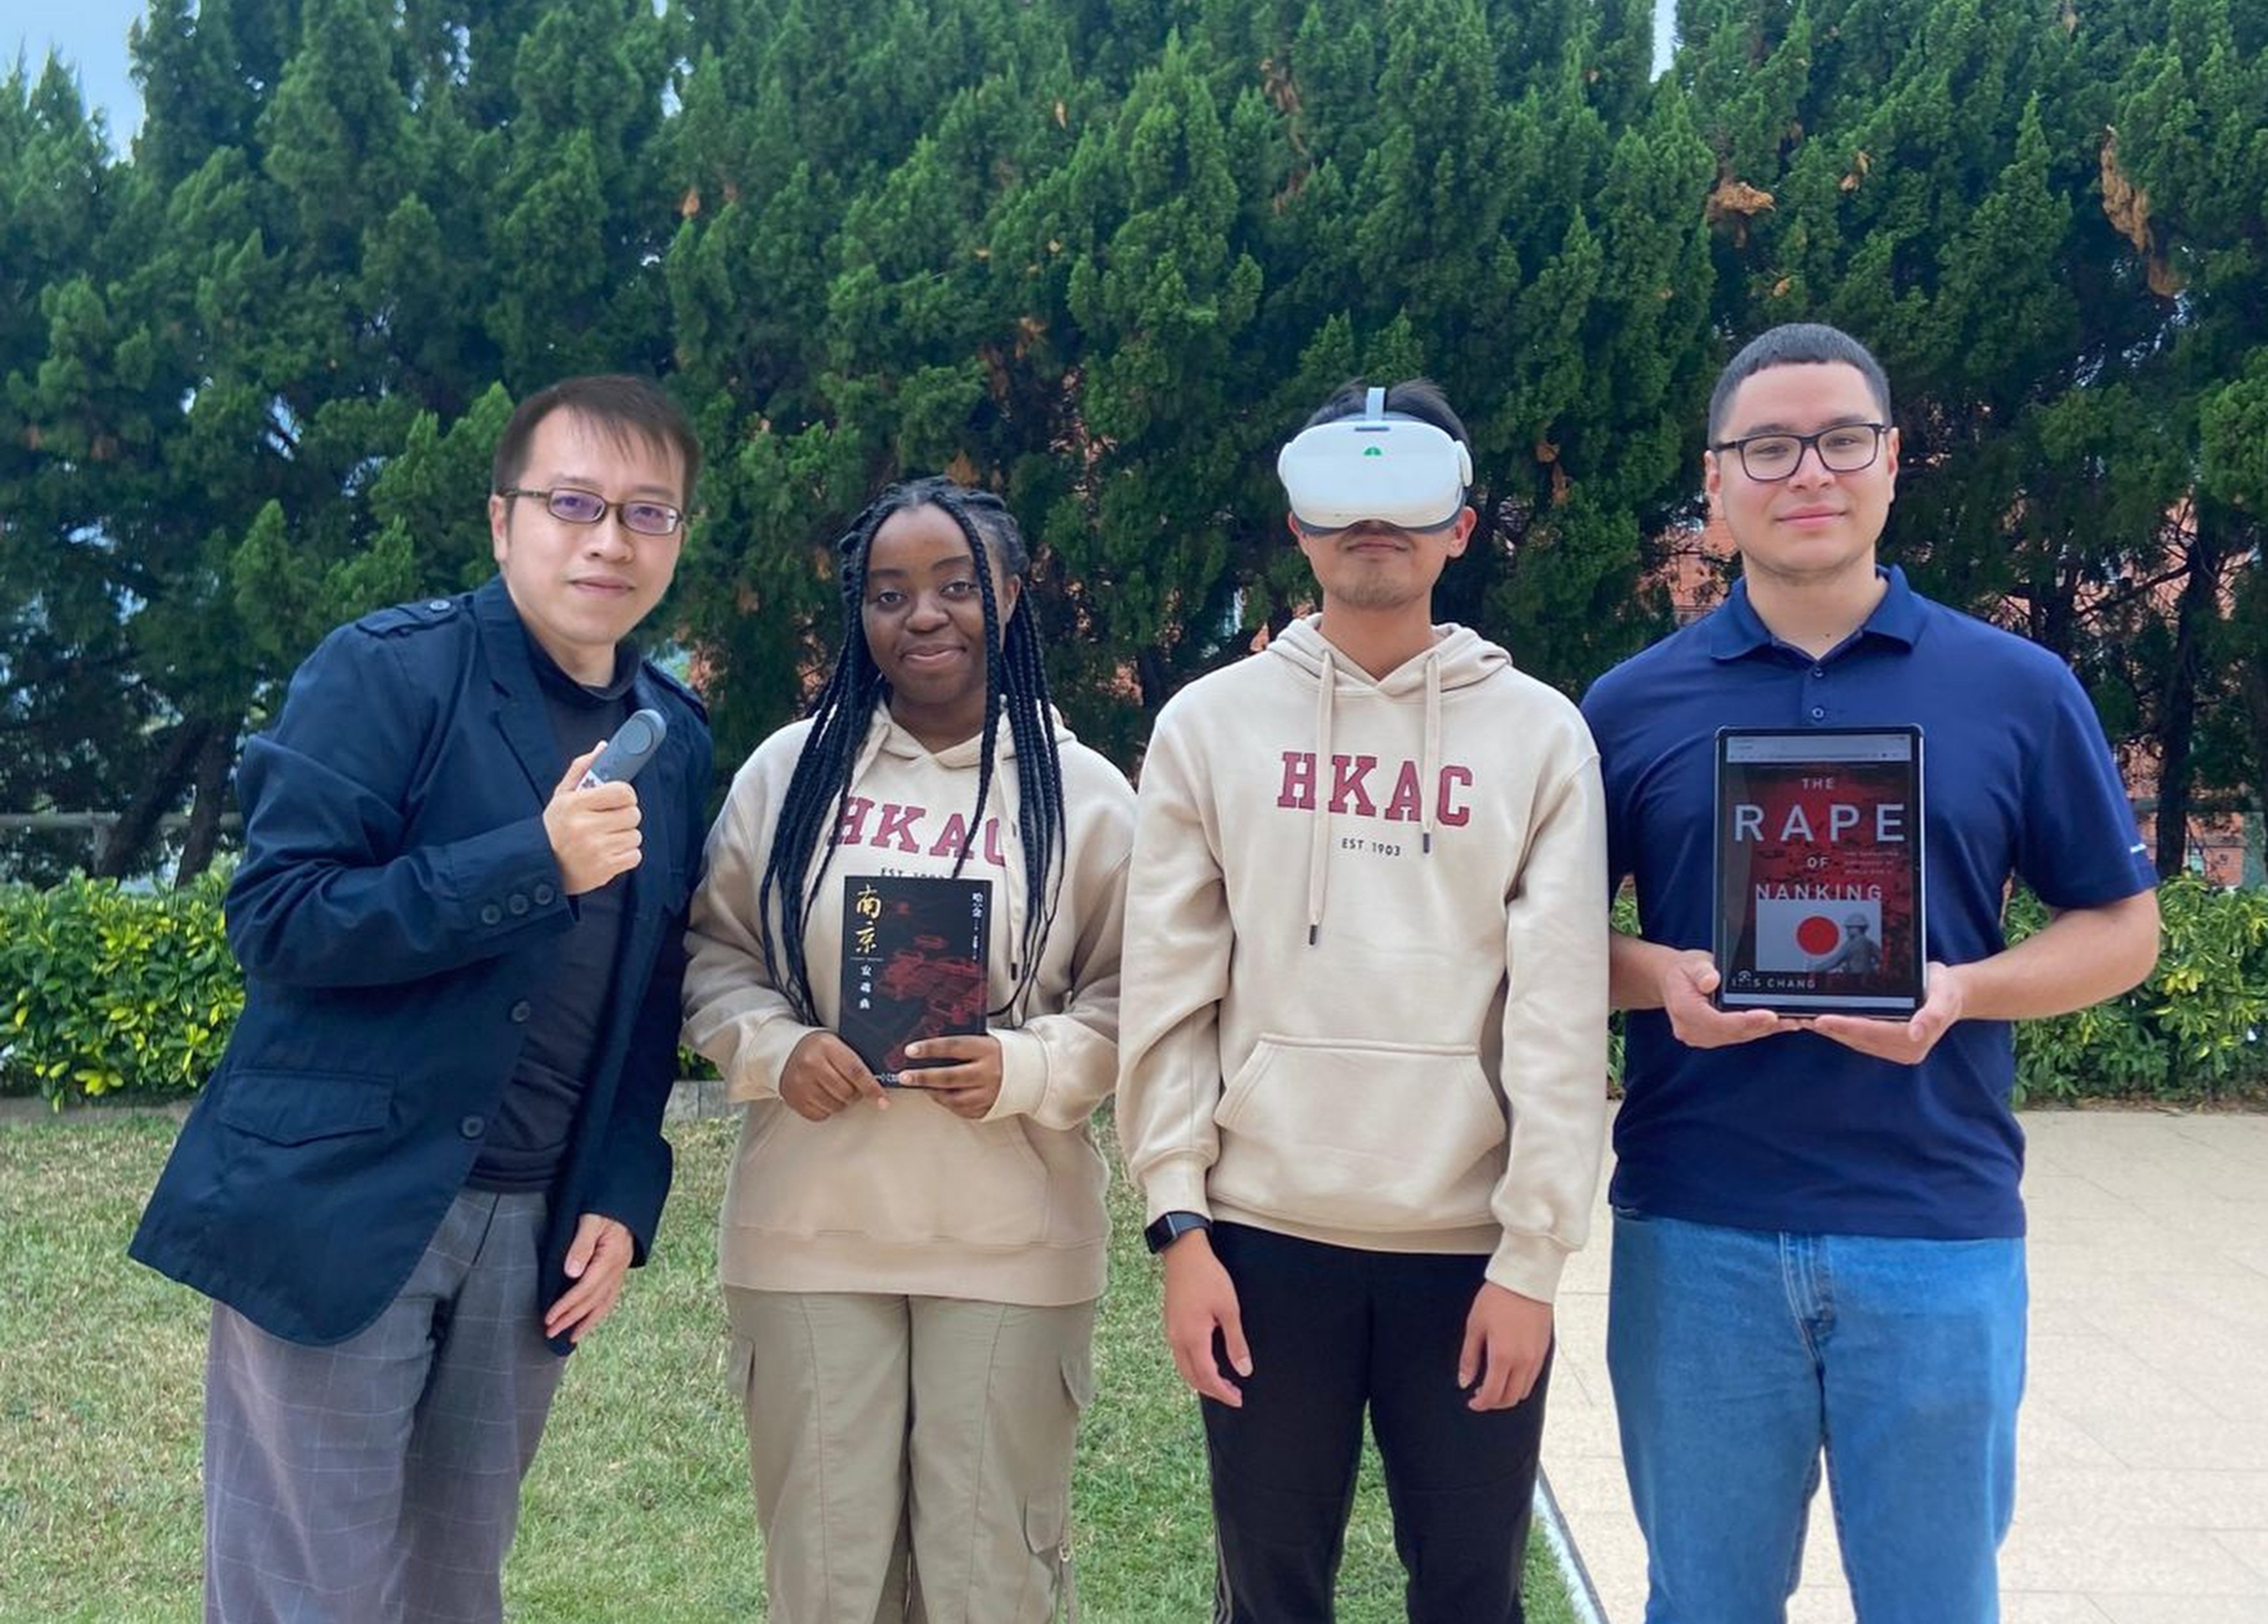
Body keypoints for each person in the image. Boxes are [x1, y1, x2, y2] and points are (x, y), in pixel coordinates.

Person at [1581, 322, 2162, 1624]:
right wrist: (1658, 972)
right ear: (1717, 481)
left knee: (1935, 1604)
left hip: (1937, 1230)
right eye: (1768, 446)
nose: (1810, 472)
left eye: (1843, 439)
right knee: (1706, 1604)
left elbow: (2123, 925)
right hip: (1697, 1228)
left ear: (1893, 463)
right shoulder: (1628, 707)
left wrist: (1963, 989)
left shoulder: (2015, 687)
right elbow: (1536, 945)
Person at [130, 375, 711, 1624]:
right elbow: (279, 919)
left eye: (646, 512)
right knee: (306, 1591)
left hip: (537, 1221)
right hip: (348, 1203)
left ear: (675, 539)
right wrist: (529, 865)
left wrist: (623, 1184)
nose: (608, 539)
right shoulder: (388, 674)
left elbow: (654, 981)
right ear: (503, 521)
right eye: (573, 502)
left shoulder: (674, 733)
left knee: (455, 1585)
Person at [1114, 381, 1609, 1623]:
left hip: (1466, 1253)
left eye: (1408, 493)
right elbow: (1170, 993)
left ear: (1460, 522)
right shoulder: (1207, 728)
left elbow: (1556, 1014)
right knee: (1269, 1593)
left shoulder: (1540, 738)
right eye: (1344, 492)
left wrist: (1534, 1260)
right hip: (1261, 1243)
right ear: (1297, 522)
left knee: (1467, 1594)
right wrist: (1178, 1227)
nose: (1373, 522)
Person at [682, 476, 1135, 1623]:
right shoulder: (789, 777)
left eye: (954, 587)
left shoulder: (1084, 796)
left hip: (1009, 1240)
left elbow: (1137, 1000)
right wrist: (778, 1050)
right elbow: (713, 958)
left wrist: (1024, 1070)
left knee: (990, 1583)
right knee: (829, 1584)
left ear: (1014, 596)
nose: (922, 616)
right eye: (889, 594)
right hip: (811, 1236)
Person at [1816, 911, 1883, 976]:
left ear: (1858, 928)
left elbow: (1834, 962)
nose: (1848, 930)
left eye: (1849, 927)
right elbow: (1882, 959)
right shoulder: (1870, 943)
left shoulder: (1850, 944)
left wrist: (1815, 969)